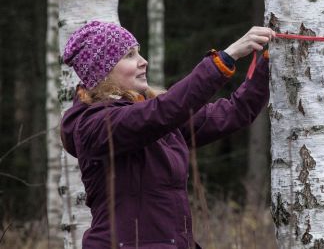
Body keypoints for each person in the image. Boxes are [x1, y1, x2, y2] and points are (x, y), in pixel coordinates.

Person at [60, 20, 276, 249]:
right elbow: (164, 111)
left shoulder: (153, 117)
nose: (143, 62)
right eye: (129, 56)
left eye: (139, 53)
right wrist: (226, 58)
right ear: (102, 70)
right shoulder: (94, 126)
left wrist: (267, 65)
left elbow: (234, 113)